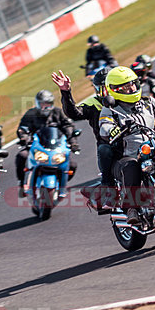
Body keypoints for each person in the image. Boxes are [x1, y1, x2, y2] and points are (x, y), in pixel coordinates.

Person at [97, 66, 155, 229]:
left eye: (133, 84)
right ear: (115, 90)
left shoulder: (148, 102)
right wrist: (114, 129)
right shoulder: (110, 108)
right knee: (131, 167)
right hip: (128, 154)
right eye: (126, 87)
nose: (131, 88)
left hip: (154, 145)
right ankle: (131, 209)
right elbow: (104, 126)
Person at [52, 67, 116, 210]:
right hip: (111, 147)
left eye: (112, 87)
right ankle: (107, 192)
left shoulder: (130, 97)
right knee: (105, 152)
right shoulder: (93, 104)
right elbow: (74, 113)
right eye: (105, 88)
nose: (109, 92)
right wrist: (66, 92)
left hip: (134, 140)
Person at [15, 90, 78, 192]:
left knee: (72, 165)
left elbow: (68, 126)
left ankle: (61, 182)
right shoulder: (30, 114)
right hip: (36, 146)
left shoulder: (58, 112)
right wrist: (24, 138)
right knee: (21, 156)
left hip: (57, 148)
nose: (45, 107)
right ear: (37, 103)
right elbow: (22, 128)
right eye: (42, 104)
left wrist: (73, 142)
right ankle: (22, 182)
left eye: (48, 104)